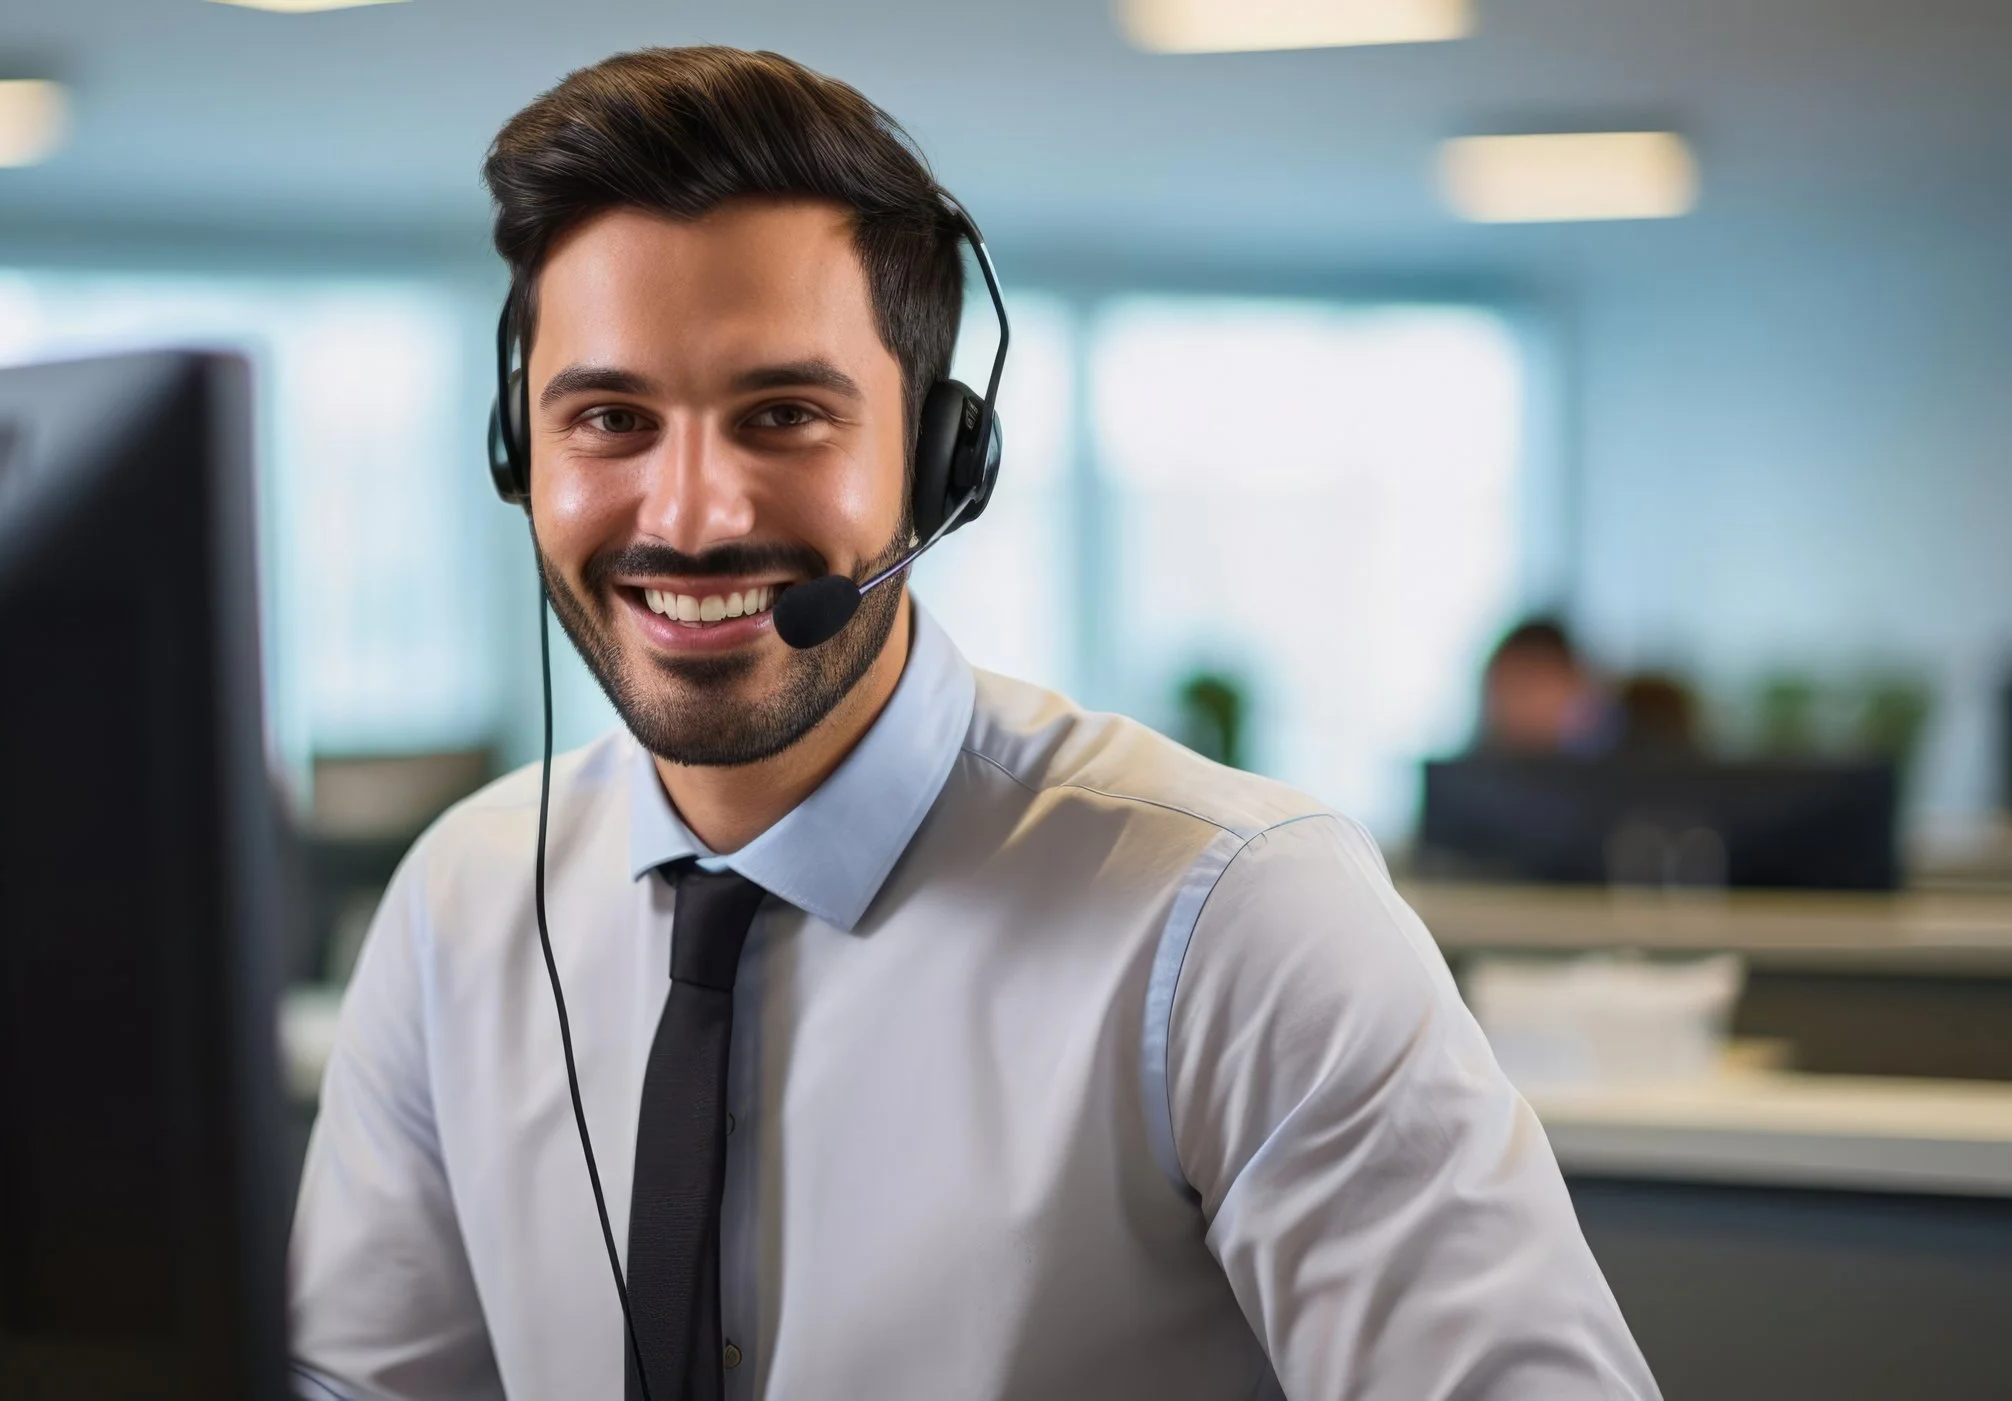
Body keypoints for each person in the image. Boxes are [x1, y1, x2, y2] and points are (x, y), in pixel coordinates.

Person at [291, 46, 1656, 1401]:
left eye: (782, 414)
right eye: (608, 418)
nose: (692, 515)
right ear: (517, 455)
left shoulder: (1234, 918)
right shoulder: (459, 910)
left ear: (946, 465)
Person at [1476, 616, 1609, 755]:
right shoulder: (1463, 773)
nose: (1523, 704)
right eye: (1514, 689)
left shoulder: (1611, 769)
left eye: (1531, 689)